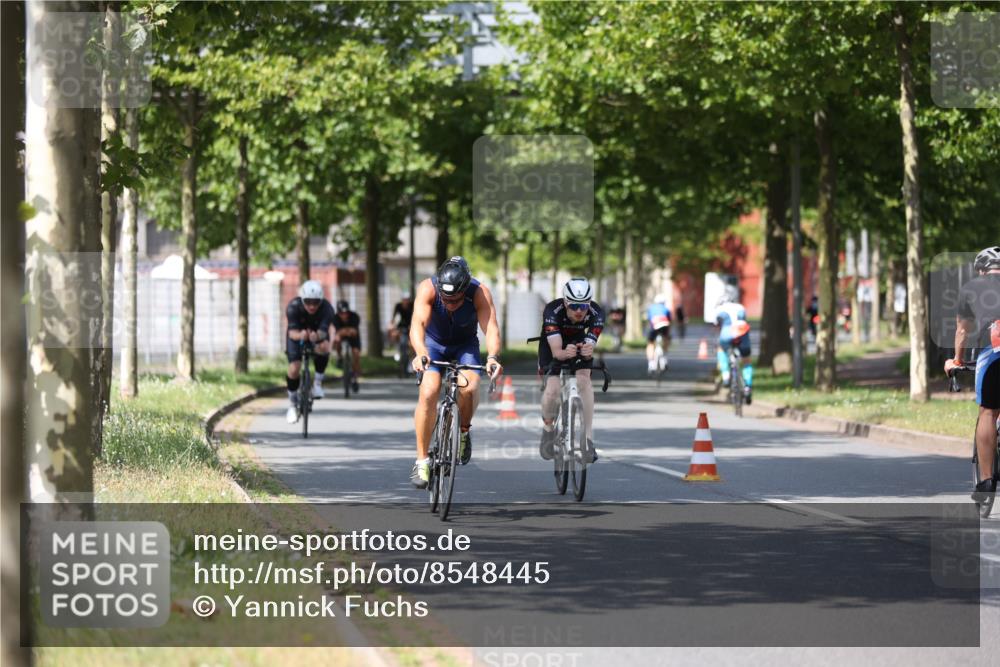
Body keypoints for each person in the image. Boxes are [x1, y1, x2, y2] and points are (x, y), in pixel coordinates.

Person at [409, 257, 502, 488]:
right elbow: (418, 324)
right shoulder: (428, 288)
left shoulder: (479, 292)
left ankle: (463, 432)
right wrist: (420, 353)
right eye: (446, 299)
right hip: (433, 345)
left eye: (456, 300)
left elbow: (490, 328)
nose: (450, 304)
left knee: (469, 387)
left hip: (465, 345)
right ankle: (422, 461)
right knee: (429, 391)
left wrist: (492, 357)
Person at [944, 246, 1000, 505]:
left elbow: (962, 331)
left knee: (988, 411)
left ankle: (986, 482)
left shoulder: (971, 288)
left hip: (995, 348)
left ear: (981, 270)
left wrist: (957, 360)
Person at [538, 277, 605, 464]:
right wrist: (563, 353)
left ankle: (588, 440)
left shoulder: (597, 313)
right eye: (574, 306)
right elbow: (557, 352)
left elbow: (590, 343)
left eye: (583, 306)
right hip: (553, 345)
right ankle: (548, 430)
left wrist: (588, 349)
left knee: (584, 381)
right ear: (566, 303)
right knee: (552, 390)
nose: (579, 311)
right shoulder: (553, 310)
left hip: (578, 342)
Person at [284, 280, 334, 424]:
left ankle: (317, 384)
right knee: (294, 368)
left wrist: (316, 337)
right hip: (297, 337)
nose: (312, 306)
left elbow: (324, 332)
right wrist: (301, 335)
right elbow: (292, 333)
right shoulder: (293, 307)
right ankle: (292, 404)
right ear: (302, 300)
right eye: (308, 302)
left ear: (321, 301)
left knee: (324, 347)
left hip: (316, 335)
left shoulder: (327, 309)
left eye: (316, 302)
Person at [714, 285, 754, 404]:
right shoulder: (741, 307)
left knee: (721, 349)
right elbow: (744, 320)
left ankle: (726, 376)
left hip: (727, 333)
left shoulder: (719, 309)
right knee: (746, 360)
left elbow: (717, 326)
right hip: (742, 332)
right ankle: (747, 386)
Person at [333, 299, 362, 393]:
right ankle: (339, 357)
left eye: (346, 313)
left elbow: (354, 332)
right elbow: (338, 333)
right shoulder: (335, 318)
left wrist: (343, 331)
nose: (344, 315)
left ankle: (355, 377)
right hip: (342, 338)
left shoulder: (354, 317)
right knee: (337, 339)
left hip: (354, 339)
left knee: (356, 355)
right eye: (342, 313)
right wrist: (345, 332)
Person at [645, 293, 672, 374]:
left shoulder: (651, 308)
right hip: (664, 324)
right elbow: (669, 321)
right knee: (666, 339)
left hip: (655, 325)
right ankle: (664, 358)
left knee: (650, 343)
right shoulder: (666, 309)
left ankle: (651, 363)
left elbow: (649, 320)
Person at [387, 292, 414, 362]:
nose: (405, 302)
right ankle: (397, 349)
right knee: (395, 334)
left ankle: (411, 357)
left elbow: (415, 316)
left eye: (407, 300)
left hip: (411, 326)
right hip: (401, 326)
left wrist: (412, 326)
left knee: (412, 343)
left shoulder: (412, 305)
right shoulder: (398, 306)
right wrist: (392, 325)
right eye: (404, 300)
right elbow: (394, 317)